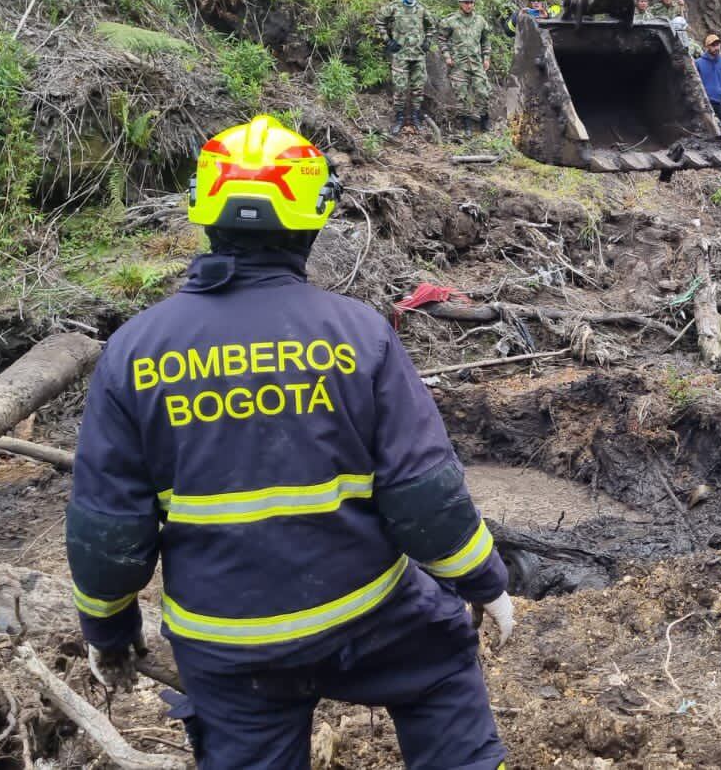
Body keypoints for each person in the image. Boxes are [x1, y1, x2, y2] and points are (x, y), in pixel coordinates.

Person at [69, 115, 515, 770]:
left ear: (205, 214)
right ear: (310, 221)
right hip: (368, 620)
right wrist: (484, 581)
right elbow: (422, 494)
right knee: (442, 661)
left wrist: (108, 631)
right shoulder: (356, 334)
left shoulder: (135, 352)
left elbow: (108, 532)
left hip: (228, 648)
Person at [376, 0, 436, 134]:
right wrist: (387, 40)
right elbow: (379, 21)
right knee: (400, 88)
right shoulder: (394, 8)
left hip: (418, 56)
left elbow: (432, 27)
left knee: (418, 88)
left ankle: (416, 117)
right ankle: (399, 118)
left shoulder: (422, 10)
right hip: (400, 55)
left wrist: (427, 42)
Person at [440, 0, 495, 137]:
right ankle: (467, 125)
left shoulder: (480, 21)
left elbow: (486, 40)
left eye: (471, 2)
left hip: (477, 64)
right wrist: (447, 56)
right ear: (460, 2)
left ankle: (484, 122)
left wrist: (486, 57)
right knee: (462, 96)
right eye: (466, 2)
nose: (469, 5)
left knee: (483, 92)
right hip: (458, 65)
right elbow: (442, 39)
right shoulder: (451, 21)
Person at [697, 33, 721, 136]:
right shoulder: (698, 63)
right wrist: (699, 100)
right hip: (704, 103)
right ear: (707, 47)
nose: (716, 47)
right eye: (713, 45)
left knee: (720, 131)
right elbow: (695, 83)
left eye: (718, 44)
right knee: (705, 131)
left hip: (720, 103)